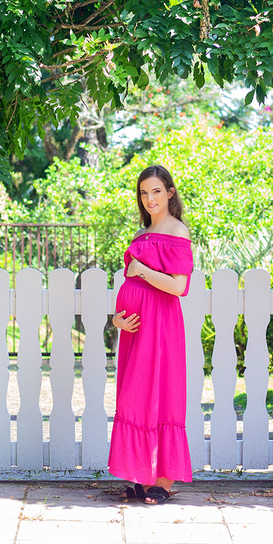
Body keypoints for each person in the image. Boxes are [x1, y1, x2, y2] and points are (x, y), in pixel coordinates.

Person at [108, 164, 194, 505]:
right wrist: (116, 319)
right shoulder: (142, 235)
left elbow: (177, 286)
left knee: (162, 393)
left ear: (170, 193)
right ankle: (141, 475)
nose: (149, 199)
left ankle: (165, 480)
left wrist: (142, 270)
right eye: (144, 193)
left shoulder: (178, 231)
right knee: (136, 396)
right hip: (134, 330)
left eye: (156, 191)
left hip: (160, 327)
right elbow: (131, 285)